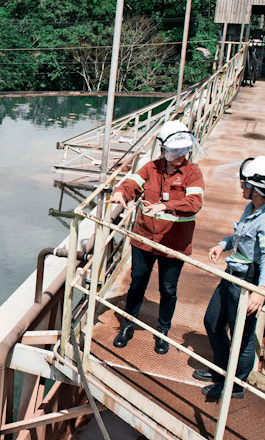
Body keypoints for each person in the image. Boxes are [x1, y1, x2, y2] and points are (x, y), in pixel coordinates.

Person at [193, 156, 265, 399]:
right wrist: (223, 244)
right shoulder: (252, 209)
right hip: (232, 277)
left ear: (256, 189)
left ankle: (235, 385)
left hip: (248, 284)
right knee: (212, 322)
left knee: (242, 337)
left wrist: (261, 291)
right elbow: (239, 237)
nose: (242, 187)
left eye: (245, 184)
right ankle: (222, 370)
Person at [109, 120, 205, 354]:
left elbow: (194, 203)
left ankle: (163, 332)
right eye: (175, 151)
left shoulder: (193, 173)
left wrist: (166, 206)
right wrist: (120, 192)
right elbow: (132, 184)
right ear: (163, 149)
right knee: (137, 284)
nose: (180, 155)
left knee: (168, 289)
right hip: (144, 239)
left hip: (174, 244)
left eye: (184, 150)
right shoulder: (151, 168)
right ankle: (128, 325)